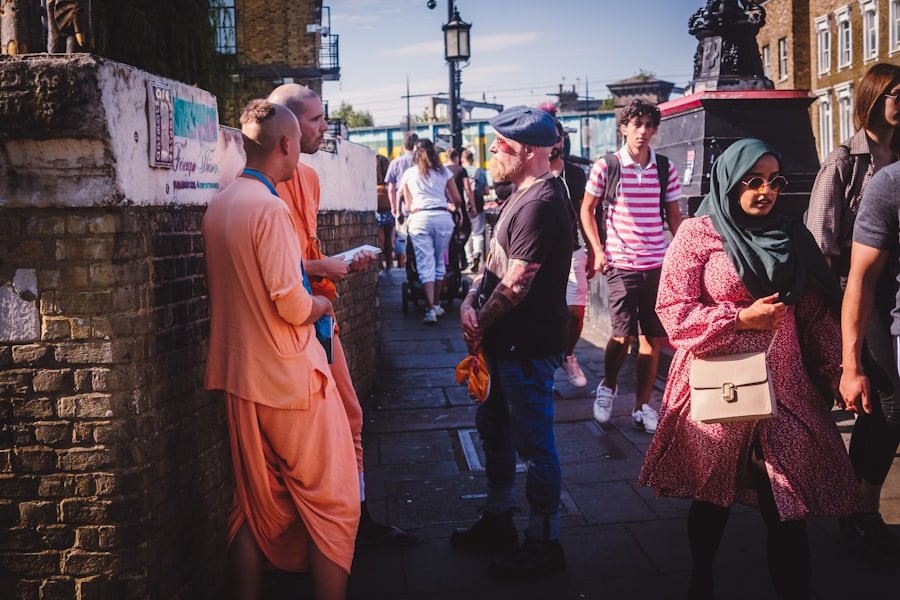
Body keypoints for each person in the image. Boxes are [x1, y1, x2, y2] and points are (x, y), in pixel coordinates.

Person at [638, 139, 860, 600]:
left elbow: (816, 310)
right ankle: (701, 577)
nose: (766, 191)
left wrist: (837, 367)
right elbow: (673, 310)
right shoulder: (698, 233)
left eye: (774, 181)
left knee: (786, 503)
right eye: (753, 181)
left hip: (784, 384)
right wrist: (738, 318)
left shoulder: (792, 234)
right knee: (712, 493)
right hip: (719, 382)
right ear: (729, 181)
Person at [203, 99, 359, 600]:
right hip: (289, 381)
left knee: (252, 501)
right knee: (334, 503)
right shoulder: (270, 209)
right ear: (287, 145)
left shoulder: (220, 205)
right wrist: (322, 307)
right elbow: (291, 305)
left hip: (238, 377)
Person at [268, 83, 420, 547]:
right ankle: (323, 529)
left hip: (318, 314)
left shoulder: (309, 180)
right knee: (305, 437)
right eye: (315, 120)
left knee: (349, 416)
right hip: (287, 324)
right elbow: (277, 271)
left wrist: (333, 268)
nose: (324, 127)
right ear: (289, 129)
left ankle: (356, 516)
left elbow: (302, 256)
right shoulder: (262, 188)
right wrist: (324, 268)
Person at [453, 106, 573, 578]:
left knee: (536, 446)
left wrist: (478, 323)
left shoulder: (541, 202)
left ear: (525, 151)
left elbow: (518, 283)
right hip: (503, 346)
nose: (493, 152)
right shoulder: (519, 194)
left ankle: (545, 545)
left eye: (499, 146)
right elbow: (494, 266)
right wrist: (468, 301)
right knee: (494, 429)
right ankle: (499, 519)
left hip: (525, 347)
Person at [806, 63, 900, 564]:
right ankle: (859, 507)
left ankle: (854, 500)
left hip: (893, 285)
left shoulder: (899, 155)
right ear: (873, 97)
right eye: (893, 93)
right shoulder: (844, 160)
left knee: (882, 402)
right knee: (883, 397)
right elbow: (820, 242)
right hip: (855, 289)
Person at [580, 99, 683, 433]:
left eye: (649, 125)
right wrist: (598, 250)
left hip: (657, 264)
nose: (643, 131)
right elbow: (587, 210)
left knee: (653, 338)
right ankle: (608, 385)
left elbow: (674, 216)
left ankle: (641, 407)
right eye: (636, 124)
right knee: (623, 337)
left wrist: (683, 255)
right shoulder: (608, 166)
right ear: (623, 127)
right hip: (621, 264)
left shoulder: (665, 168)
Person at [839, 150, 900, 565]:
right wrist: (850, 364)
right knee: (887, 410)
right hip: (886, 316)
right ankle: (860, 508)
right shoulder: (888, 182)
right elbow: (858, 278)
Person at [400, 138, 463, 324]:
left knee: (424, 263)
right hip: (442, 218)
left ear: (415, 153)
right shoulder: (443, 171)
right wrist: (452, 207)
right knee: (439, 262)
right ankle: (436, 305)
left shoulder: (409, 174)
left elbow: (409, 204)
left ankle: (430, 310)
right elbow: (457, 198)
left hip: (420, 218)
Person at [549, 119, 589, 388]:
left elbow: (586, 212)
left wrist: (596, 249)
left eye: (557, 138)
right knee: (545, 312)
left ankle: (568, 355)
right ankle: (545, 363)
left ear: (563, 140)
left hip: (572, 249)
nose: (554, 143)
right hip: (539, 255)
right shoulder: (531, 173)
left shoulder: (575, 174)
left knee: (575, 312)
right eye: (549, 138)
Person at [462, 148, 489, 273]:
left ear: (463, 160)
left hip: (464, 205)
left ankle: (470, 260)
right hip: (478, 204)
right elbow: (486, 191)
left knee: (466, 234)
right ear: (473, 159)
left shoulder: (461, 171)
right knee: (478, 233)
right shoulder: (481, 172)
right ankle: (478, 253)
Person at [385, 130, 418, 219]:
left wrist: (394, 208)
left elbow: (391, 189)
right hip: (420, 208)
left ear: (403, 146)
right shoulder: (422, 162)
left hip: (403, 209)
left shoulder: (395, 163)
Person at [376, 154, 395, 272]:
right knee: (388, 241)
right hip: (388, 213)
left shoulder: (375, 188)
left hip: (378, 213)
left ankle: (379, 264)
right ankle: (389, 264)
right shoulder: (388, 187)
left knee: (378, 240)